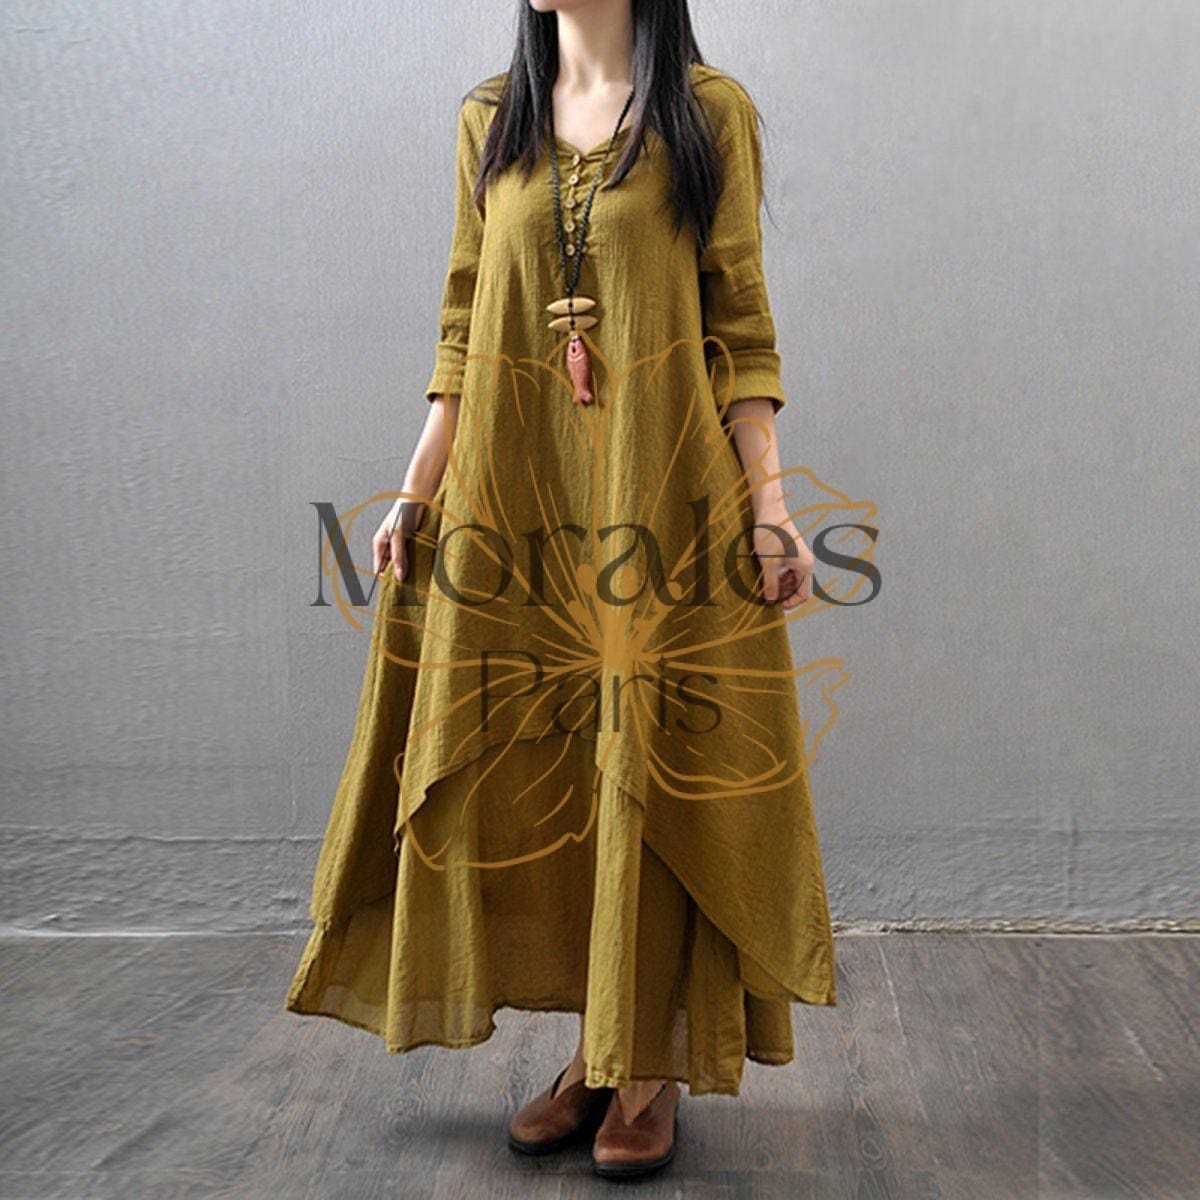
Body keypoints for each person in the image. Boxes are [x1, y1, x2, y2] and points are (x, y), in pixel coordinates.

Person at [286, 0, 837, 1180]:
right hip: (516, 496)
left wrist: (771, 506)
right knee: (549, 771)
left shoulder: (709, 116)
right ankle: (599, 1047)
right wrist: (415, 492)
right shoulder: (492, 120)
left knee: (650, 761)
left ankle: (644, 1069)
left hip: (659, 495)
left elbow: (741, 328)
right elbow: (461, 323)